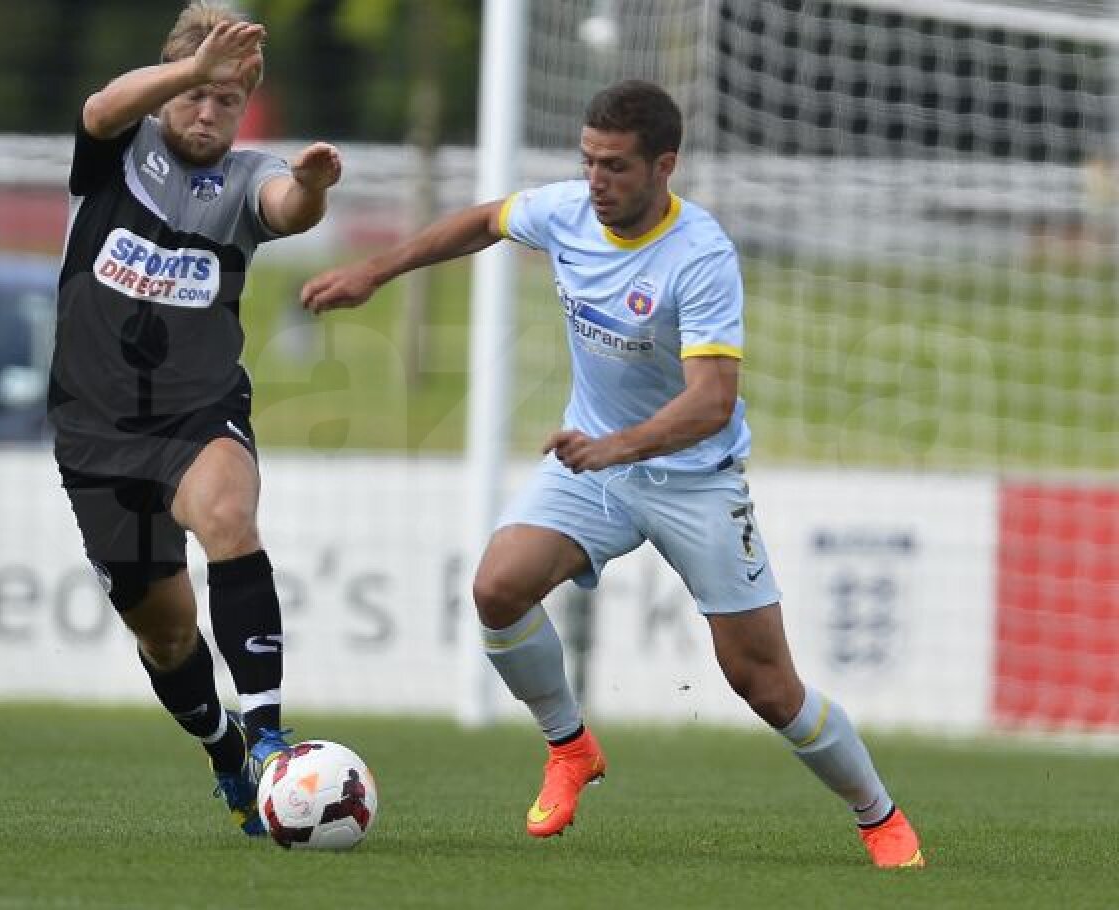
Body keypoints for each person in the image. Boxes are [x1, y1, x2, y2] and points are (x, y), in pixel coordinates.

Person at [300, 79, 925, 868]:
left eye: (617, 167)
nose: (596, 180)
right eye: (589, 161)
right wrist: (377, 272)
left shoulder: (699, 256)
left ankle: (879, 816)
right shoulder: (568, 209)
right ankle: (571, 748)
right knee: (498, 587)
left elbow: (711, 401)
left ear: (665, 166)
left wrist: (620, 445)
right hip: (593, 460)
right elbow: (483, 221)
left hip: (694, 478)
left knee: (764, 684)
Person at [47, 1, 341, 837]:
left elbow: (286, 206)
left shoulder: (247, 176)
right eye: (196, 96)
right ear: (172, 84)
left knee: (227, 514)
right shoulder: (119, 151)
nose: (209, 114)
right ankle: (226, 756)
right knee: (168, 635)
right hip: (95, 429)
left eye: (226, 101)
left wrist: (313, 187)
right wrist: (192, 68)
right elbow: (101, 108)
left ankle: (274, 739)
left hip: (196, 407)